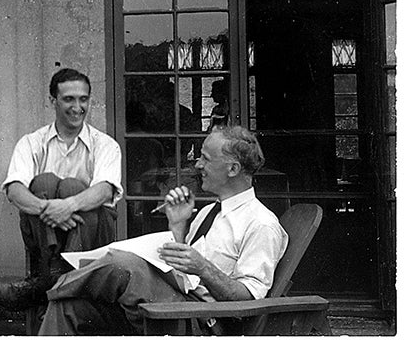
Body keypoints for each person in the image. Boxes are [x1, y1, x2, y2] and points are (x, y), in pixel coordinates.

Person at [38, 125, 288, 335]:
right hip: (172, 304)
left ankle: (41, 289)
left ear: (233, 169)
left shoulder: (261, 224)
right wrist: (177, 226)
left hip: (202, 322)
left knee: (122, 263)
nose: (198, 164)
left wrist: (203, 267)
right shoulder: (208, 212)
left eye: (206, 159)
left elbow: (249, 298)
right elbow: (181, 271)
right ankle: (53, 290)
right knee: (69, 306)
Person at [0, 68, 123, 314]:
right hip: (43, 240)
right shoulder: (32, 142)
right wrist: (48, 208)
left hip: (93, 240)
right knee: (44, 183)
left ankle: (46, 281)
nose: (77, 107)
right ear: (53, 101)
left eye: (83, 99)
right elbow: (15, 190)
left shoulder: (105, 144)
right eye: (69, 99)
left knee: (72, 188)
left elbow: (104, 191)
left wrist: (67, 206)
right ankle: (60, 277)